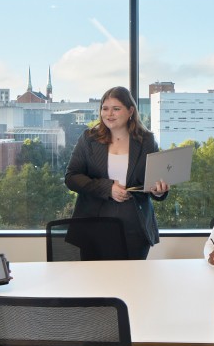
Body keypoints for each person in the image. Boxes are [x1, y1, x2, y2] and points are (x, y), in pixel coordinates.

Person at [65, 86, 169, 259]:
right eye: (105, 108)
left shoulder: (147, 141)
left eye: (116, 108)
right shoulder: (89, 139)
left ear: (130, 111)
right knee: (94, 284)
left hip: (134, 228)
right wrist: (108, 188)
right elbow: (71, 177)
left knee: (130, 283)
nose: (109, 114)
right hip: (93, 225)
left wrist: (159, 191)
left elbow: (155, 181)